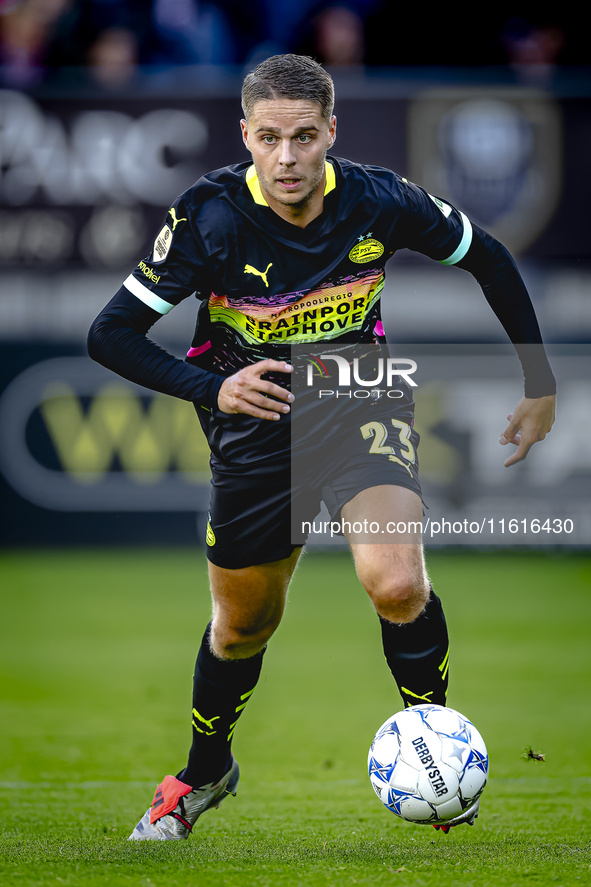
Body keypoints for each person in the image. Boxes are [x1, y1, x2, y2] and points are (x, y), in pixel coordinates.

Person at [88, 54, 556, 841]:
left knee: (396, 583)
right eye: (268, 138)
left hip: (355, 388)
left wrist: (538, 382)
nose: (286, 157)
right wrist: (213, 388)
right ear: (245, 135)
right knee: (241, 627)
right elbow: (110, 333)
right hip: (255, 417)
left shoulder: (378, 200)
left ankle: (435, 750)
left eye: (304, 137)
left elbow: (488, 256)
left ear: (330, 132)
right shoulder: (209, 216)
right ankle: (206, 769)